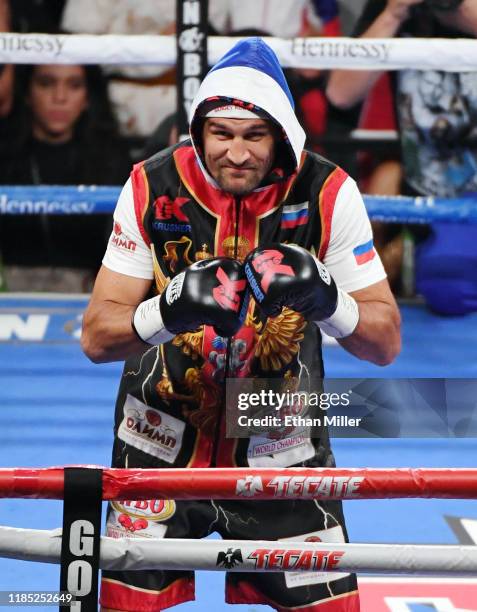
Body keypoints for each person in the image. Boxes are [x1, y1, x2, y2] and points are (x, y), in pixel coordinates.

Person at [82, 38, 400, 611]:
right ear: (200, 130)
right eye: (222, 134)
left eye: (254, 136)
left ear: (280, 133)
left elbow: (384, 343)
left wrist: (329, 299)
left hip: (282, 447)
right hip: (157, 443)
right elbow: (97, 337)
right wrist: (167, 308)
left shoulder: (328, 194)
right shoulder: (152, 185)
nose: (236, 153)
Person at [327, 0, 477, 313]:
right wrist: (393, 14)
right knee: (448, 286)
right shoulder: (396, 7)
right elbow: (340, 93)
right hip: (437, 196)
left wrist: (460, 12)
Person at [0, 63, 131, 291]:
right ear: (27, 92)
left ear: (88, 96)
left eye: (74, 85)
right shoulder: (4, 153)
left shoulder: (113, 159)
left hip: (91, 292)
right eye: (46, 83)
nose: (59, 97)